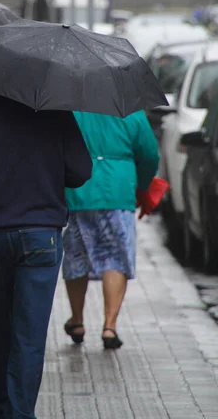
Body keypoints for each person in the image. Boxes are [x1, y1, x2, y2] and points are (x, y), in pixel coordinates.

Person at [0, 92, 92, 419]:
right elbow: (80, 171)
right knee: (29, 333)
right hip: (41, 235)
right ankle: (19, 413)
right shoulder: (55, 110)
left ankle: (1, 409)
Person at [62, 110, 159, 349]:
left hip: (78, 190)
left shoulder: (70, 107)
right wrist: (142, 184)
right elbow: (149, 154)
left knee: (76, 257)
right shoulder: (130, 110)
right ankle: (109, 326)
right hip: (118, 189)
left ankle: (77, 320)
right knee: (115, 259)